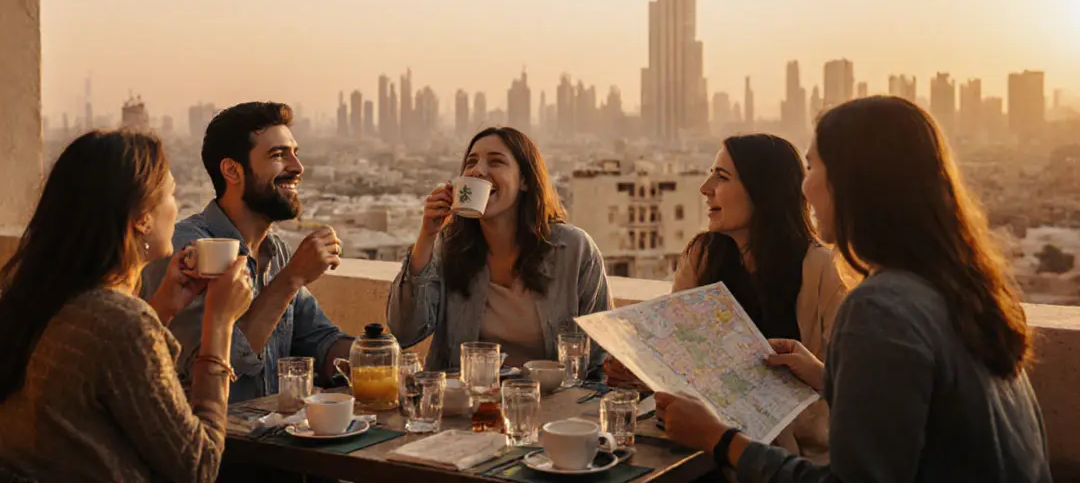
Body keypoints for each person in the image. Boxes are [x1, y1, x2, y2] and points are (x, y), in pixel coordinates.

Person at [654, 96, 1051, 483]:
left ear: (851, 184)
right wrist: (826, 378)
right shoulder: (960, 289)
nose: (804, 188)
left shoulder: (881, 308)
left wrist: (717, 438)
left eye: (812, 167)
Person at [0, 130, 254, 482]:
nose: (177, 207)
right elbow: (199, 467)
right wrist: (219, 323)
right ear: (142, 218)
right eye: (171, 194)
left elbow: (106, 377)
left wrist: (162, 309)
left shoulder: (37, 300)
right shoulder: (123, 324)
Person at [606, 134, 846, 462]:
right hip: (698, 448)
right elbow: (677, 356)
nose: (705, 188)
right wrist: (642, 372)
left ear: (763, 190)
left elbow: (845, 390)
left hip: (788, 462)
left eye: (721, 177)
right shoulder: (702, 256)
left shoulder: (823, 269)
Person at [142, 102, 352, 402]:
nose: (297, 167)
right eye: (278, 155)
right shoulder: (188, 252)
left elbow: (320, 341)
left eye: (295, 153)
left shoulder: (276, 252)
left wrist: (378, 357)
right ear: (232, 170)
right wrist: (291, 279)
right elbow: (212, 368)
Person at [387, 127, 613, 371]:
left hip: (552, 394)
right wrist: (427, 236)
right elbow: (405, 331)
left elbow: (599, 353)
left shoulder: (574, 250)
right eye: (471, 162)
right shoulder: (450, 249)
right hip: (468, 394)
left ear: (524, 180)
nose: (478, 171)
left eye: (496, 162)